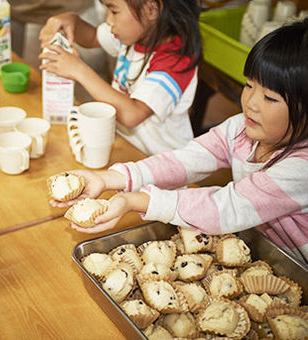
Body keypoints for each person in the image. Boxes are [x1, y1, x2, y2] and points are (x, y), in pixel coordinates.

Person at [50, 19, 308, 266]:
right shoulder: (240, 127)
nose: (251, 103)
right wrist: (107, 179)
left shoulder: (300, 169)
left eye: (270, 98)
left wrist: (134, 201)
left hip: (296, 267)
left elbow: (223, 207)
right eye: (249, 85)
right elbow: (184, 160)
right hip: (259, 248)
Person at [38, 0, 202, 155]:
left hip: (161, 166)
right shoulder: (136, 32)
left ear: (151, 9)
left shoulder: (176, 59)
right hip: (125, 148)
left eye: (114, 11)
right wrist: (72, 21)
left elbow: (132, 114)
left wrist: (79, 70)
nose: (109, 21)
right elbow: (93, 37)